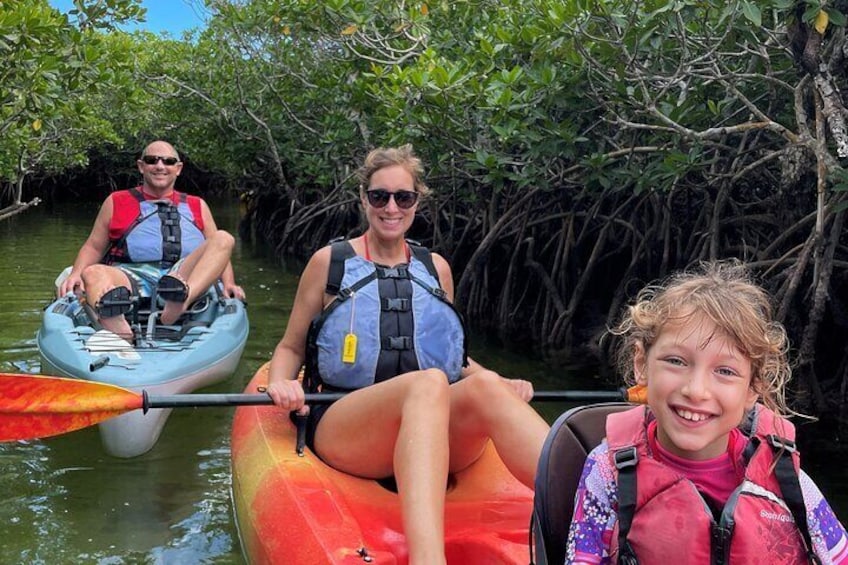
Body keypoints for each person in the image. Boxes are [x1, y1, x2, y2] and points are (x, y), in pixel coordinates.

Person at [265, 144, 551, 564]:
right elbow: (291, 346)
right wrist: (279, 382)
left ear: (418, 201)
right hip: (348, 424)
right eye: (380, 196)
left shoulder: (436, 268)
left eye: (404, 197)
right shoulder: (329, 264)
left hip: (429, 421)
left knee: (485, 385)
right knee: (428, 383)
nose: (391, 207)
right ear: (364, 199)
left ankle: (604, 509)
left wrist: (501, 384)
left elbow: (451, 356)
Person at [565, 260, 848, 564]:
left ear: (753, 389)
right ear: (641, 364)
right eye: (676, 361)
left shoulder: (784, 476)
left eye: (725, 371)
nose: (696, 390)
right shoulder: (608, 472)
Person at [58, 140, 245, 338]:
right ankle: (122, 335)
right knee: (92, 273)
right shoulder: (116, 201)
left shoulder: (197, 205)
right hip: (131, 274)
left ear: (178, 168)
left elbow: (218, 251)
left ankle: (181, 301)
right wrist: (76, 273)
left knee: (224, 238)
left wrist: (229, 283)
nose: (160, 166)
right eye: (152, 160)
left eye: (168, 161)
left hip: (182, 274)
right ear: (141, 166)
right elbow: (94, 247)